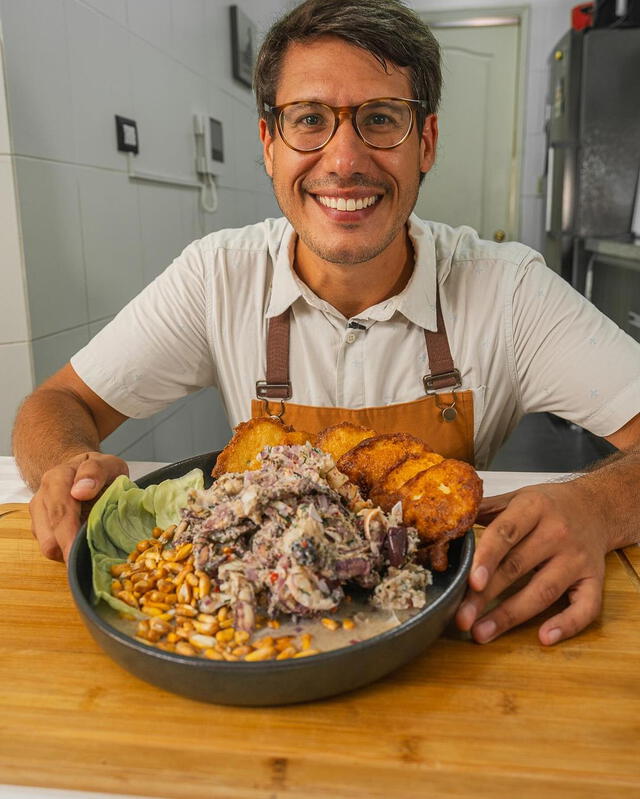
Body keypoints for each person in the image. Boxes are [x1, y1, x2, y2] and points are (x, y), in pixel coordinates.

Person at [12, 0, 640, 648]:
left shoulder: (508, 291)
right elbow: (57, 402)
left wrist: (599, 505)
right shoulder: (216, 278)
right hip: (263, 644)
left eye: (381, 119)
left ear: (425, 142)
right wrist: (67, 466)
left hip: (447, 646)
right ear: (268, 145)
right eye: (309, 119)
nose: (343, 160)